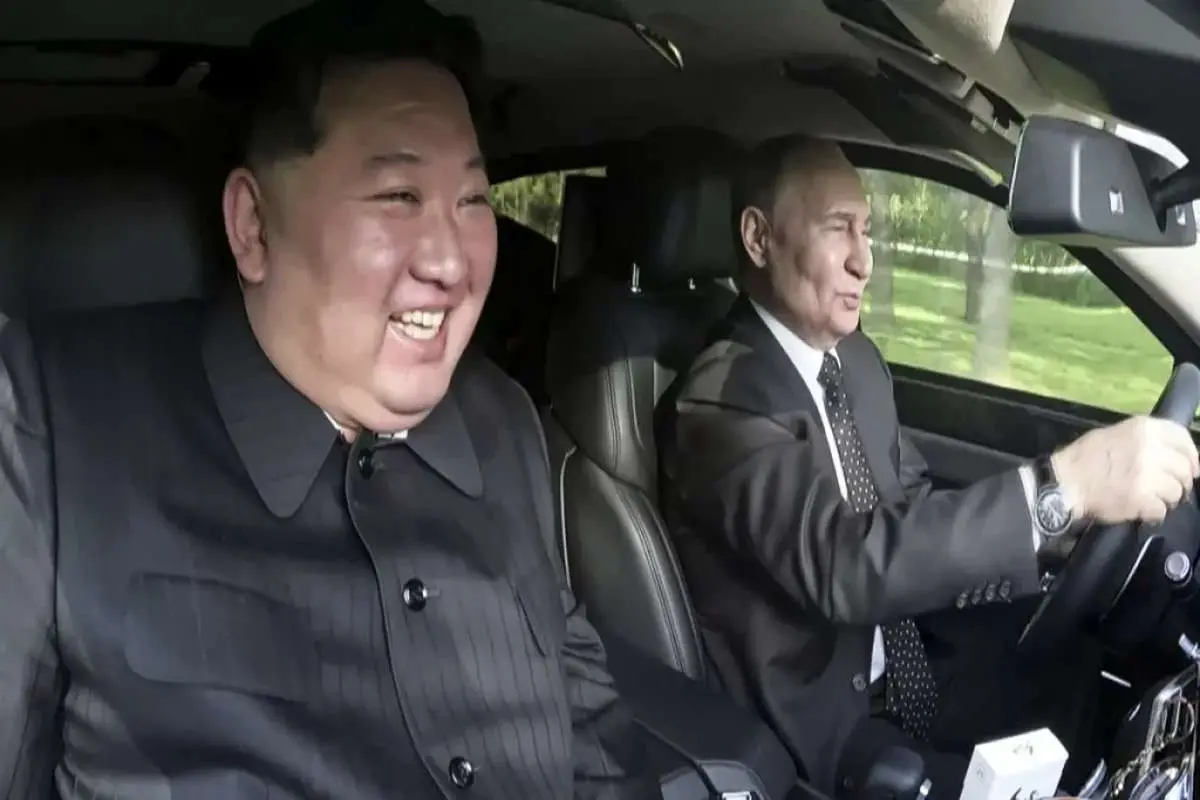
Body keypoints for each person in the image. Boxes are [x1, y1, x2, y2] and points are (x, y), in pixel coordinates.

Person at [0, 1, 653, 798]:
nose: (451, 262)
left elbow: (592, 737)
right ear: (253, 226)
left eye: (473, 200)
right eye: (398, 196)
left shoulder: (503, 420)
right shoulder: (48, 428)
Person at [656, 134, 1200, 799]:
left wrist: (1062, 536)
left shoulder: (855, 361)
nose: (864, 260)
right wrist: (1060, 490)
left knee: (1075, 659)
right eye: (837, 228)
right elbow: (847, 567)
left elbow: (909, 501)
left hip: (912, 656)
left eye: (866, 231)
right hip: (827, 730)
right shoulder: (720, 400)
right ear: (758, 237)